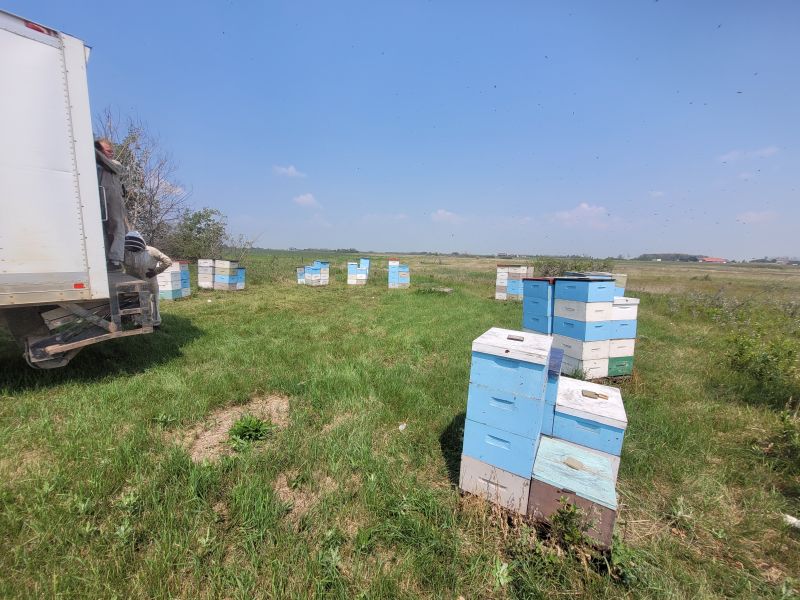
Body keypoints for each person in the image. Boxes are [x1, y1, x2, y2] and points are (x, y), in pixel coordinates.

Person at [123, 231, 172, 329]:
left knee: (153, 303)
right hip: (134, 283)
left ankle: (155, 324)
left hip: (150, 282)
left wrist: (156, 271)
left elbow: (168, 261)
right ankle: (139, 322)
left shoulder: (151, 251)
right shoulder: (126, 252)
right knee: (136, 303)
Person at [95, 138, 128, 272]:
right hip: (100, 200)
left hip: (113, 200)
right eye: (106, 151)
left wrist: (95, 152)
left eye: (110, 151)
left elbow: (106, 162)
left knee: (118, 228)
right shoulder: (95, 165)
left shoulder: (115, 164)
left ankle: (115, 260)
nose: (110, 153)